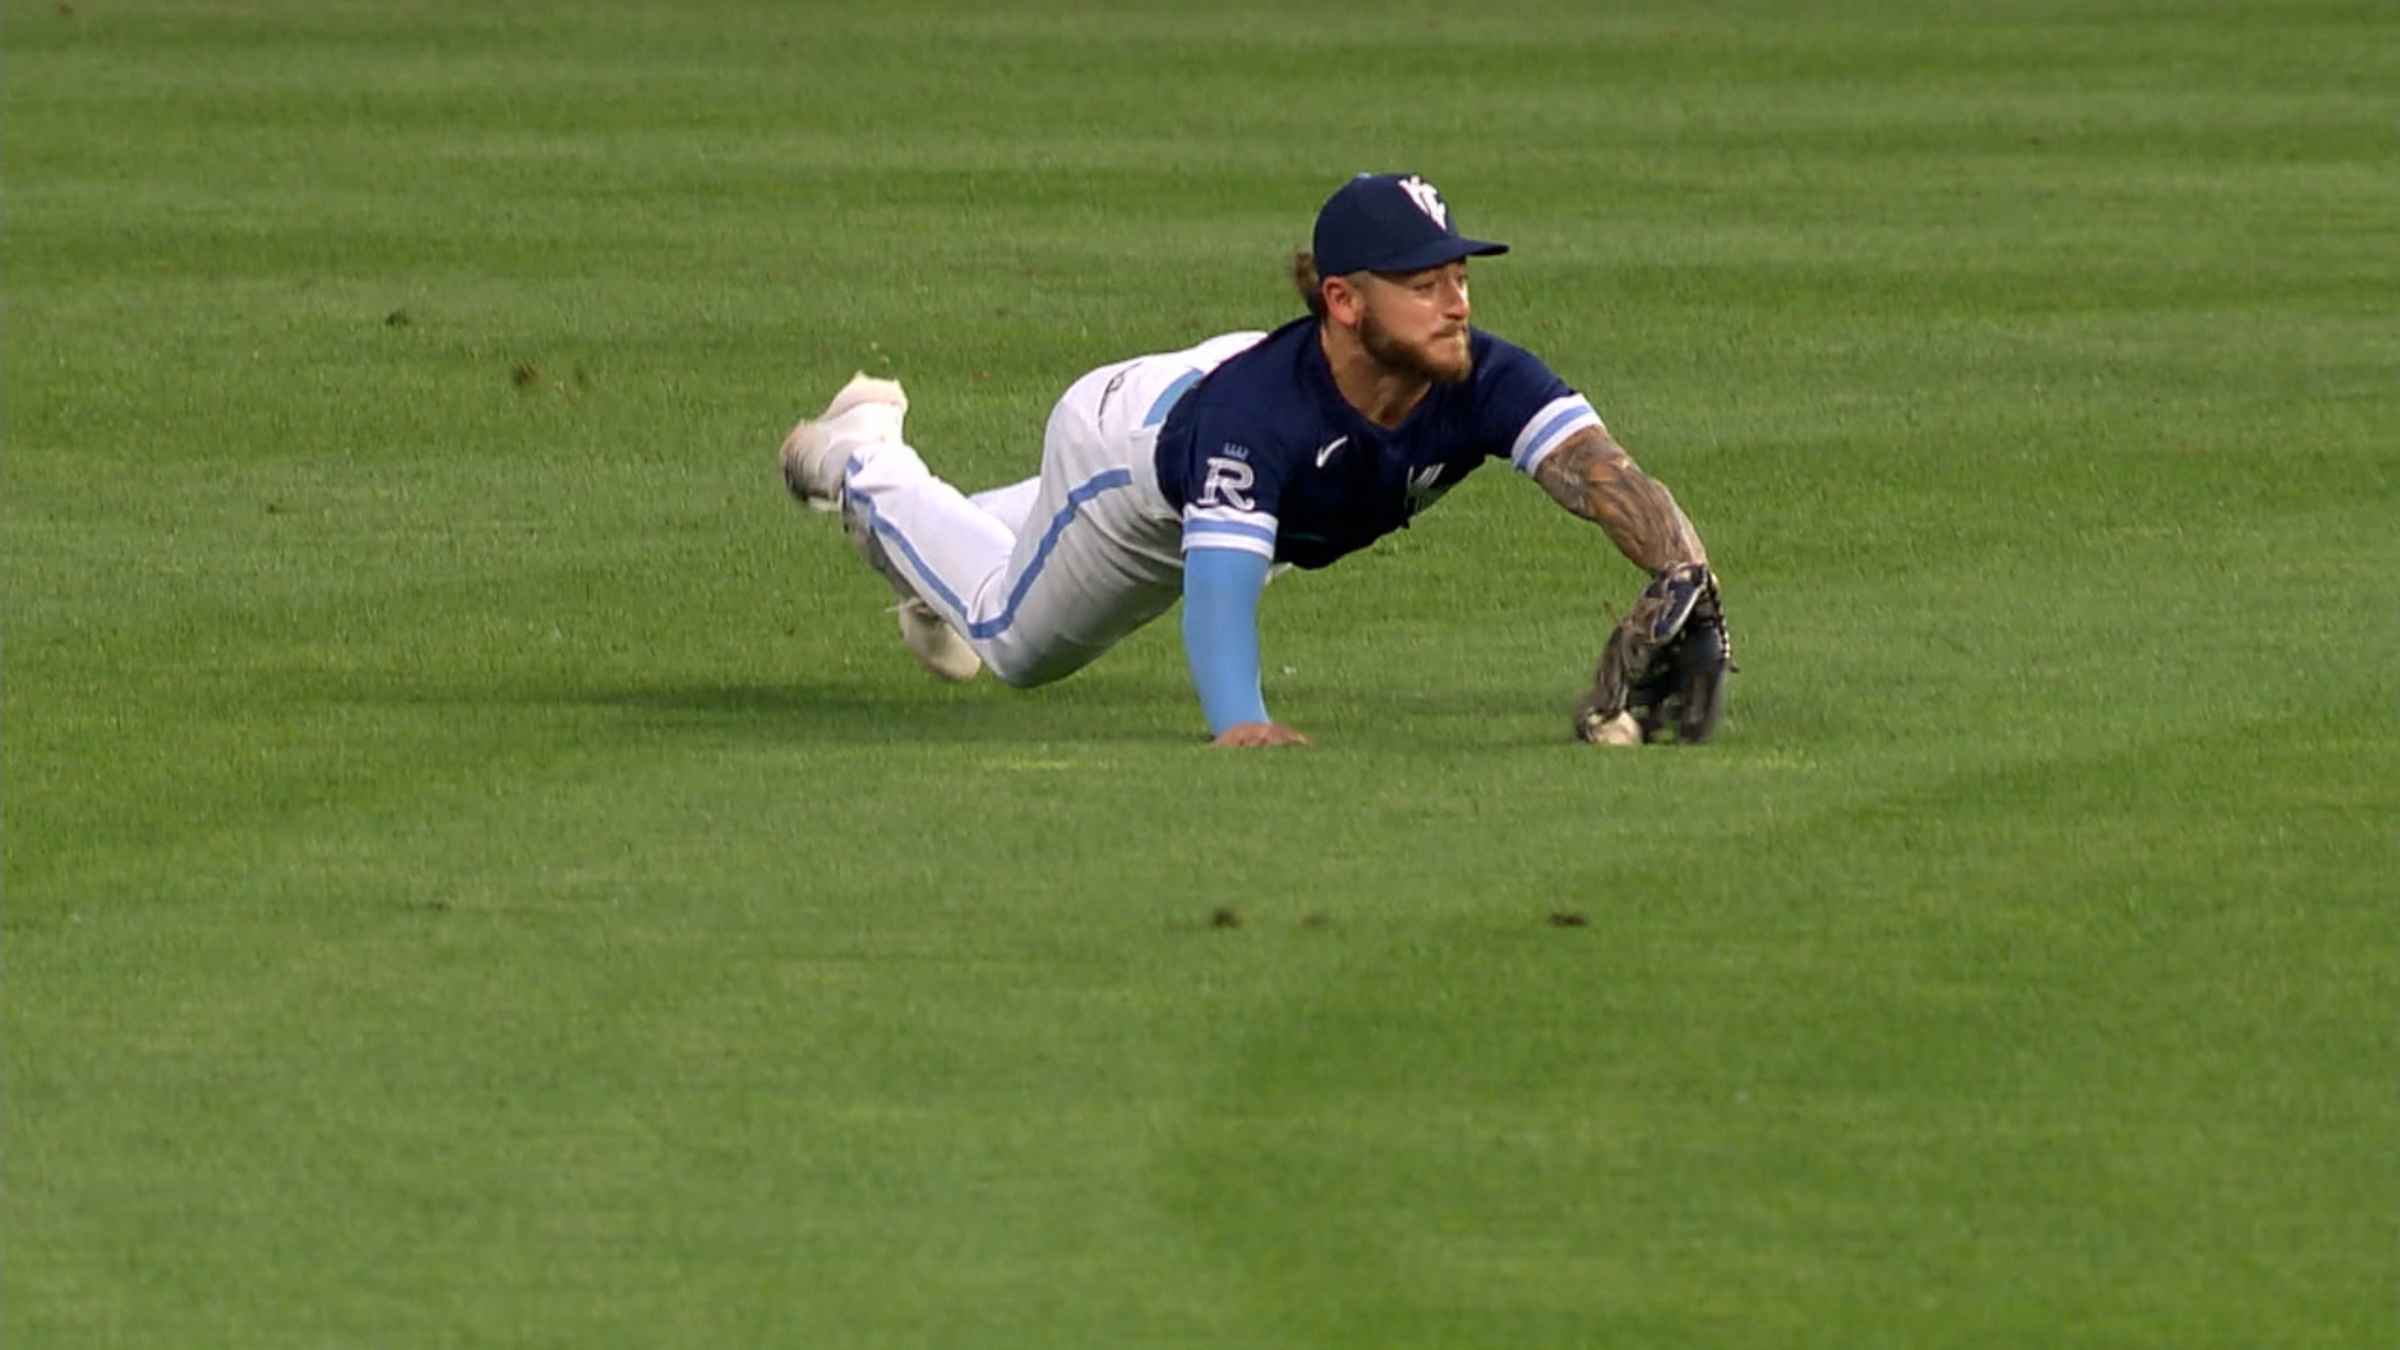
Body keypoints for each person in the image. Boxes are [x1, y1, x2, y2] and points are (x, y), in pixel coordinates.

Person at [779, 172, 1716, 747]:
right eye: (1424, 284)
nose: (1457, 303)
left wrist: (1686, 571)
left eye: (1461, 278)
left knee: (1077, 552)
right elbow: (1220, 586)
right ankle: (866, 458)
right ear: (1346, 303)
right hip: (1130, 464)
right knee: (1012, 641)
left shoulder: (1474, 371)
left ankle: (941, 542)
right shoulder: (1253, 422)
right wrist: (1242, 719)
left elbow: (1600, 471)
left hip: (1226, 400)